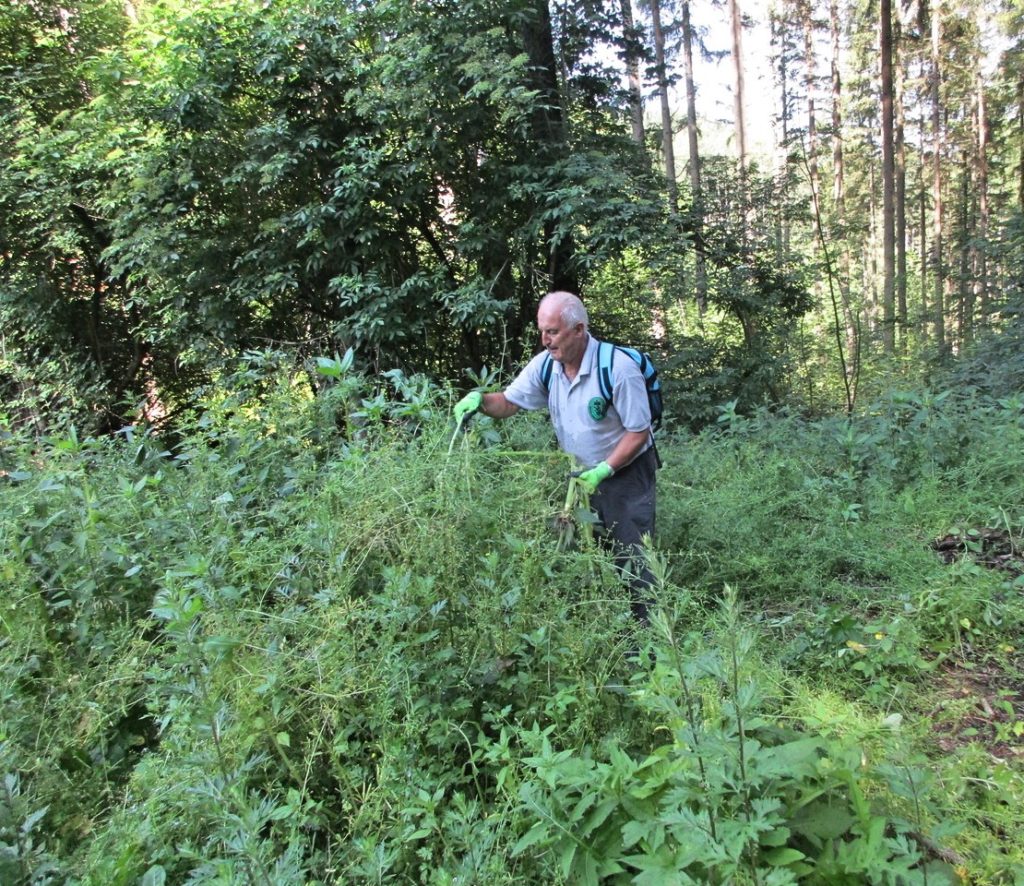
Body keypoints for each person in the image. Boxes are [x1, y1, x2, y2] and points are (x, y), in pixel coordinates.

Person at [454, 291, 657, 624]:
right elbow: (508, 402)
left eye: (553, 332)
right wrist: (479, 400)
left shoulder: (618, 369)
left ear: (578, 329)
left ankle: (646, 646)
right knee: (590, 554)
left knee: (631, 556)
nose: (545, 340)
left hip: (626, 474)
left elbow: (639, 432)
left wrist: (605, 469)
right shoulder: (547, 366)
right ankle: (602, 627)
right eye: (542, 331)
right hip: (580, 477)